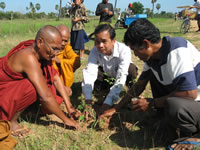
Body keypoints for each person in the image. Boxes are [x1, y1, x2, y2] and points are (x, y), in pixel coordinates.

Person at [100, 18, 200, 149]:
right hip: (190, 105)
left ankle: (194, 135)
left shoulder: (176, 49)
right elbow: (139, 85)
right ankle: (167, 120)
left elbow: (189, 93)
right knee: (155, 80)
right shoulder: (153, 58)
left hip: (194, 102)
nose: (135, 55)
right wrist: (116, 108)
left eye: (134, 49)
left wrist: (152, 103)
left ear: (146, 44)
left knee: (174, 105)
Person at [0, 25, 80, 137]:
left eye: (58, 49)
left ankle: (25, 111)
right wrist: (65, 119)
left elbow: (55, 77)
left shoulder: (40, 53)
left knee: (51, 87)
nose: (56, 53)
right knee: (33, 87)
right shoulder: (28, 57)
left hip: (12, 90)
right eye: (54, 48)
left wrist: (69, 107)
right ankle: (11, 121)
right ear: (39, 42)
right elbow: (45, 96)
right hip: (3, 90)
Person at [82, 24, 137, 114]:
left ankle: (132, 89)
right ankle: (106, 89)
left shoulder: (124, 50)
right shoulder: (94, 51)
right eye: (97, 42)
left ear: (113, 41)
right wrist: (88, 100)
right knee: (96, 81)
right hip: (107, 73)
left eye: (104, 41)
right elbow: (90, 73)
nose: (100, 45)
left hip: (121, 74)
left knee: (131, 69)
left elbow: (121, 75)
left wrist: (107, 103)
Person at [53, 25, 80, 95]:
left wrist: (60, 61)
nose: (63, 43)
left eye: (65, 41)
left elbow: (76, 61)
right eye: (61, 40)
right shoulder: (47, 46)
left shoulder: (66, 47)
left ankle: (62, 87)